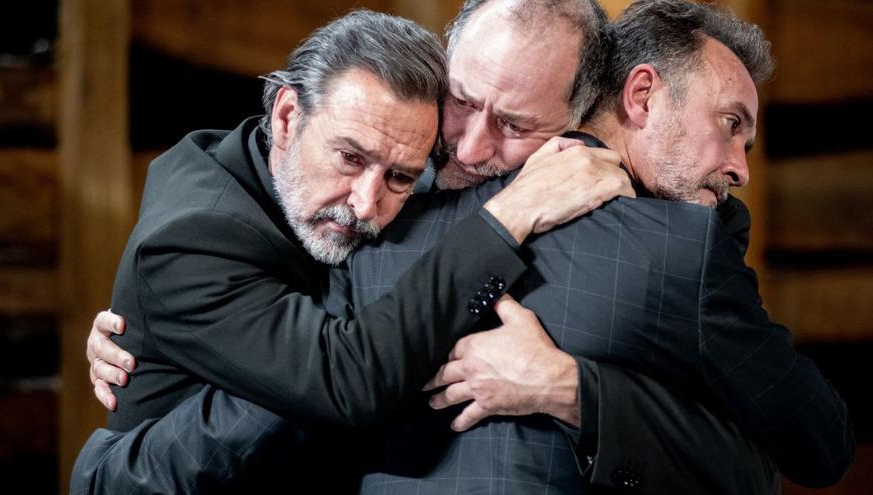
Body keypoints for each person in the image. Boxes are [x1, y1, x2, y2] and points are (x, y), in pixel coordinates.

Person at [81, 0, 853, 493]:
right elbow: (317, 360)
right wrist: (163, 328)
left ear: (578, 113)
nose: (472, 145)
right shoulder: (388, 174)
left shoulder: (674, 250)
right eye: (461, 102)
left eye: (516, 125)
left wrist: (569, 388)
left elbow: (780, 458)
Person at [70, 9, 632, 493]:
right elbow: (344, 379)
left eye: (399, 177)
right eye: (349, 158)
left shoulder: (415, 151)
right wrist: (509, 216)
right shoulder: (189, 239)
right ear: (287, 117)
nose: (366, 204)